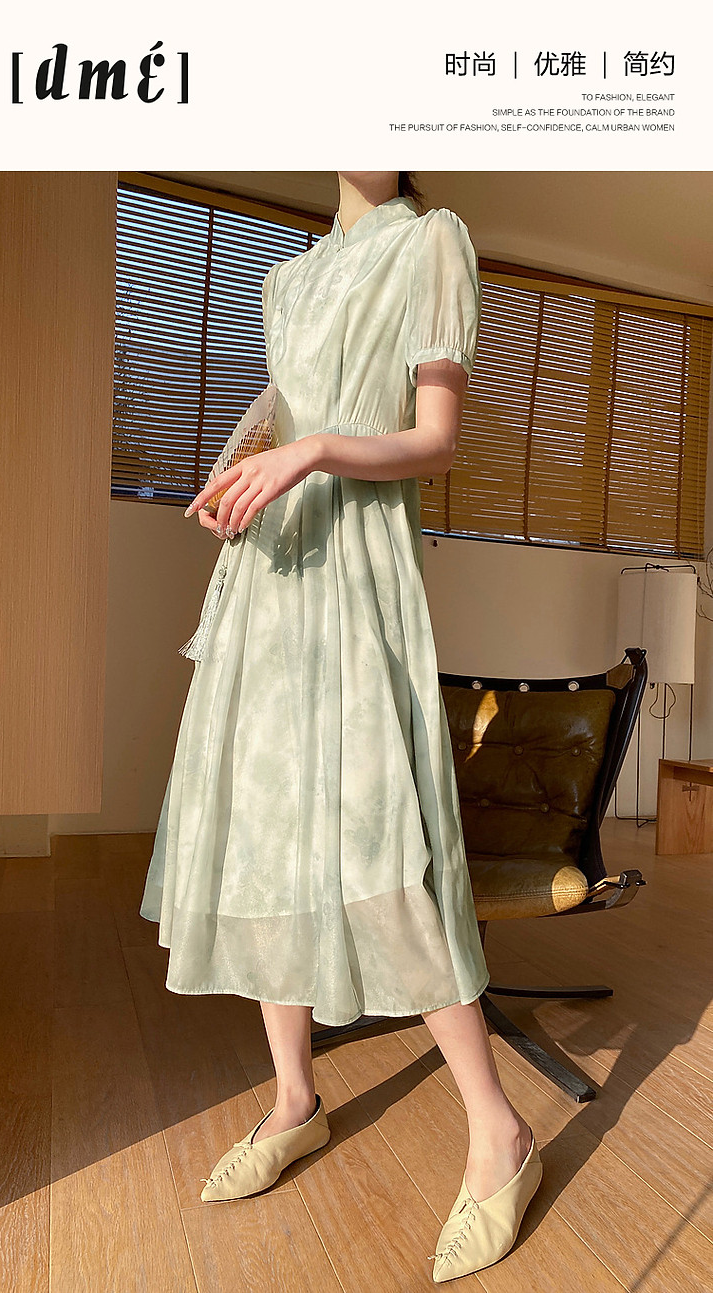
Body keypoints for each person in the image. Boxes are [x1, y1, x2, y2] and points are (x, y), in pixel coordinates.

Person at [139, 171, 543, 1281]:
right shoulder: (287, 278)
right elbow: (277, 412)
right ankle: (294, 1098)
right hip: (269, 582)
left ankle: (499, 1129)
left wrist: (311, 452)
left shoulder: (433, 242)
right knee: (267, 837)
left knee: (383, 846)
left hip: (359, 571)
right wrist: (237, 476)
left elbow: (435, 441)